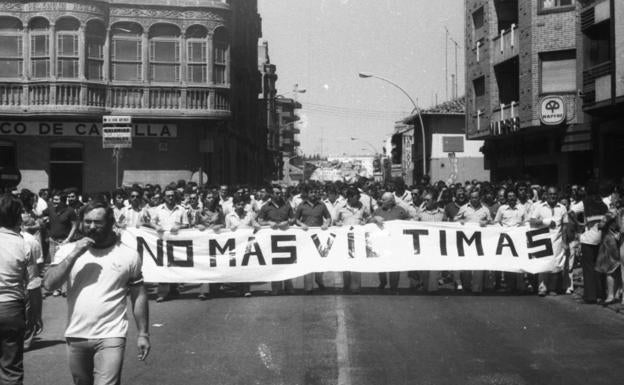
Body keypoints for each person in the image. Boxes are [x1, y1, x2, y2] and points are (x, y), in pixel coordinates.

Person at [43, 200, 150, 385]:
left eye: (98, 222)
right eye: (87, 221)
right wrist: (75, 252)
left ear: (110, 223)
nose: (91, 226)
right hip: (76, 334)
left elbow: (139, 295)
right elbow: (49, 284)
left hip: (112, 334)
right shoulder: (68, 250)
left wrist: (143, 334)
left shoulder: (129, 255)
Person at [0, 194, 39, 385]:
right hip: (11, 309)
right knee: (11, 369)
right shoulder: (27, 243)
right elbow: (33, 284)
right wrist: (35, 317)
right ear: (18, 217)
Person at [151, 187, 189, 302]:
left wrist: (179, 226)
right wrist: (156, 226)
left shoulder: (181, 209)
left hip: (177, 242)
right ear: (164, 197)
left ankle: (174, 289)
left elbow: (187, 225)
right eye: (168, 195)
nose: (170, 197)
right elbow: (152, 221)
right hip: (162, 242)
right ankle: (162, 293)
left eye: (172, 195)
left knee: (175, 266)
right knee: (163, 266)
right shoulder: (158, 209)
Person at [529, 186, 567, 297]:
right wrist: (546, 222)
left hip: (557, 240)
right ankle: (542, 288)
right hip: (543, 240)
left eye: (555, 194)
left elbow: (564, 226)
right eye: (550, 194)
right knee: (543, 264)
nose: (553, 196)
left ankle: (552, 288)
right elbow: (532, 221)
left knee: (556, 265)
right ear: (546, 195)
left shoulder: (562, 208)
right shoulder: (540, 207)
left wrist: (564, 242)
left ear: (557, 195)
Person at [370, 192, 410, 294]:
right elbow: (368, 221)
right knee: (381, 263)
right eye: (381, 199)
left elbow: (409, 221)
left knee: (395, 264)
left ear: (391, 200)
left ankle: (394, 286)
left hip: (395, 242)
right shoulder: (378, 211)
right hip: (381, 242)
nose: (381, 201)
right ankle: (383, 283)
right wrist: (374, 219)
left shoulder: (400, 211)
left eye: (384, 200)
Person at [294, 185, 331, 294]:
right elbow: (295, 219)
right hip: (305, 238)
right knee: (307, 261)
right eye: (311, 192)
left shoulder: (322, 205)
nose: (313, 194)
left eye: (315, 192)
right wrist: (301, 224)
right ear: (307, 193)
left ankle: (319, 280)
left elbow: (328, 217)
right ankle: (308, 287)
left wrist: (326, 223)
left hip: (319, 238)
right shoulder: (302, 205)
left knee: (320, 260)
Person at [258, 187, 294, 295]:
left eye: (281, 193)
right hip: (272, 240)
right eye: (277, 193)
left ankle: (289, 285)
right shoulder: (265, 207)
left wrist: (287, 222)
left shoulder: (287, 205)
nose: (279, 195)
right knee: (274, 263)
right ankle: (275, 287)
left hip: (286, 238)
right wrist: (269, 223)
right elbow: (260, 221)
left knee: (288, 262)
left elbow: (293, 219)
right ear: (271, 195)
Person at [454, 190, 491, 293]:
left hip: (480, 242)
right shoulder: (464, 208)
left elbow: (491, 222)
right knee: (467, 264)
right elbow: (455, 219)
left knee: (478, 265)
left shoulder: (485, 209)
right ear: (469, 198)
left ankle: (477, 288)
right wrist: (459, 221)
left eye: (476, 197)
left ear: (480, 198)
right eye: (472, 197)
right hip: (466, 241)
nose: (474, 199)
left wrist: (486, 222)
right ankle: (466, 286)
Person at [42, 190, 78, 297]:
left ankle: (65, 289)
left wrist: (68, 239)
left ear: (63, 200)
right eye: (53, 200)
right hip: (53, 241)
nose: (54, 202)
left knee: (66, 264)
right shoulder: (50, 209)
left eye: (56, 200)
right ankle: (56, 288)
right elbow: (40, 214)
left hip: (65, 242)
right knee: (54, 264)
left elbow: (74, 226)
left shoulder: (70, 211)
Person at [335, 188, 369, 294]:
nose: (356, 200)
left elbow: (368, 217)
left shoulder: (362, 206)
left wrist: (365, 222)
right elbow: (334, 220)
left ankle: (356, 286)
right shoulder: (340, 206)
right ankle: (346, 285)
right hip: (345, 239)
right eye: (354, 198)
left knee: (357, 262)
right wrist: (337, 224)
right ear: (349, 197)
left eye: (357, 198)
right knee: (346, 262)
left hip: (358, 239)